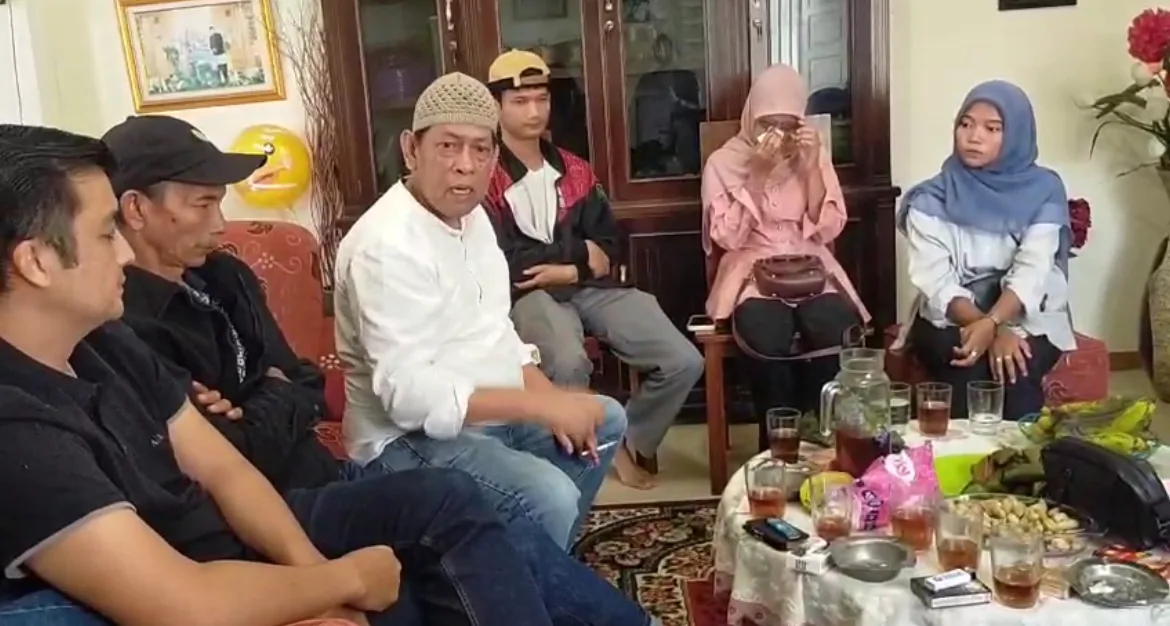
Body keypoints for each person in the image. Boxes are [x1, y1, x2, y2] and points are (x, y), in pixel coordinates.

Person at [0, 124, 651, 626]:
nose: (120, 250)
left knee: (452, 503)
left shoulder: (106, 340)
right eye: (105, 232)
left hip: (272, 510)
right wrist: (339, 586)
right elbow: (181, 596)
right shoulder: (19, 420)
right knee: (457, 559)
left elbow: (237, 456)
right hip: (205, 564)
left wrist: (319, 580)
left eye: (481, 150)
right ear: (34, 261)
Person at [333, 72, 627, 550]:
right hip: (404, 442)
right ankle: (520, 576)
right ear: (411, 149)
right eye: (448, 146)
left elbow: (496, 333)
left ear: (495, 156)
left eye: (481, 149)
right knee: (548, 494)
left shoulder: (473, 221)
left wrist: (554, 400)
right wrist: (540, 406)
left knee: (605, 418)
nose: (465, 166)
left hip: (486, 419)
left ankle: (533, 565)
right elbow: (409, 398)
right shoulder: (385, 246)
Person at [482, 50, 704, 490]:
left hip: (587, 285)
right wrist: (579, 253)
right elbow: (506, 261)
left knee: (683, 360)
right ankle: (584, 459)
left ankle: (624, 439)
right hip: (528, 294)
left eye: (541, 99)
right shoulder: (486, 176)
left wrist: (569, 269)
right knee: (567, 361)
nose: (534, 111)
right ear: (496, 105)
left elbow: (609, 245)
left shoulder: (576, 170)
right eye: (520, 101)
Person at [701, 63, 867, 431]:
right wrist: (757, 175)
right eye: (767, 125)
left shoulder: (813, 155)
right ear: (751, 118)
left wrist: (811, 170)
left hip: (808, 261)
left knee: (835, 326)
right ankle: (778, 434)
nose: (777, 136)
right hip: (749, 262)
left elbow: (829, 228)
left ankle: (819, 428)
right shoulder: (722, 163)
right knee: (764, 330)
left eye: (788, 126)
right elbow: (727, 238)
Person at [896, 80, 1071, 420]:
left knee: (1016, 367)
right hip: (952, 314)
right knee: (968, 365)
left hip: (1027, 312)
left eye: (992, 129)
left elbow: (1033, 269)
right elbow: (937, 282)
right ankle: (957, 454)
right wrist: (989, 328)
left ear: (1016, 134)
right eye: (966, 124)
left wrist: (996, 322)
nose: (974, 137)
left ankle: (1023, 452)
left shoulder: (1045, 190)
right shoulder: (930, 199)